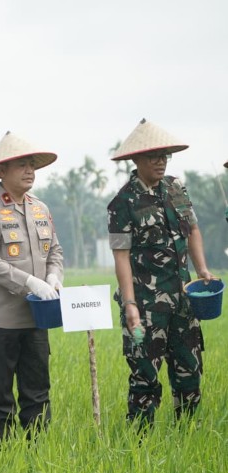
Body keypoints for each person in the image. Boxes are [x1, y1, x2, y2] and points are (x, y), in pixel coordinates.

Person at [107, 118, 213, 429]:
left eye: (164, 155)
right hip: (146, 305)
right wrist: (130, 304)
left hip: (183, 300)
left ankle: (187, 433)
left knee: (190, 370)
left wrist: (202, 269)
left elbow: (193, 229)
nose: (160, 161)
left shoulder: (175, 188)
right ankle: (140, 441)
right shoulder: (123, 202)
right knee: (145, 376)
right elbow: (121, 257)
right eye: (153, 156)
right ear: (136, 159)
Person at [0, 131, 64, 445]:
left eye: (32, 165)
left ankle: (37, 452)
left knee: (38, 391)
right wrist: (29, 282)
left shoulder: (40, 208)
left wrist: (53, 277)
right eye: (21, 165)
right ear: (2, 170)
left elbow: (55, 251)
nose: (29, 171)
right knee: (0, 395)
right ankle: (2, 454)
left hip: (37, 317)